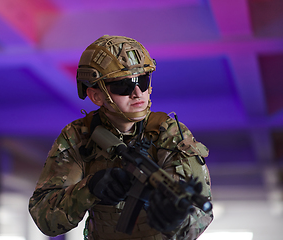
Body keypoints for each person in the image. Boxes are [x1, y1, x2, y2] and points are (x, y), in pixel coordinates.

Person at [29, 35, 213, 240]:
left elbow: (201, 215)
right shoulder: (79, 136)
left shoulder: (169, 134)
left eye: (142, 81)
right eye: (123, 86)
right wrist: (89, 188)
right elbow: (45, 218)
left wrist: (176, 219)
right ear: (96, 96)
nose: (137, 93)